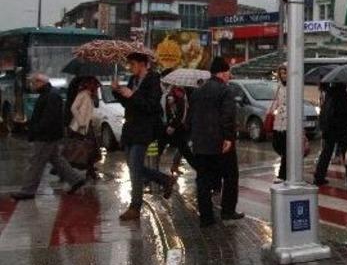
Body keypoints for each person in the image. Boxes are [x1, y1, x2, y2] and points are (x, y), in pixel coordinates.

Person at [114, 53, 175, 221]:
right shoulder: (133, 80)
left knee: (135, 168)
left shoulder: (153, 80)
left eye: (133, 64)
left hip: (144, 130)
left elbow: (150, 105)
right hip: (130, 129)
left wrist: (132, 95)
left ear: (143, 64)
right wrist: (118, 92)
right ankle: (165, 179)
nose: (130, 67)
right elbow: (129, 104)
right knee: (133, 167)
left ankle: (135, 206)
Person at [11, 73, 87, 200]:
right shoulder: (49, 94)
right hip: (49, 135)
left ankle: (28, 191)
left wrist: (36, 130)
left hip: (46, 136)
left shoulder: (51, 95)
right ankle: (76, 180)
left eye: (33, 83)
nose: (32, 86)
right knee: (56, 159)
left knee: (36, 162)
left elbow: (48, 119)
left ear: (40, 82)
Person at [188, 57, 243, 227]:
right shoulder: (225, 91)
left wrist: (193, 137)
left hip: (200, 143)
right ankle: (227, 211)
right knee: (231, 176)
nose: (229, 76)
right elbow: (227, 116)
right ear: (222, 72)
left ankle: (206, 218)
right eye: (228, 72)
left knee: (203, 180)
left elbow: (190, 117)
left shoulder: (198, 90)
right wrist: (228, 137)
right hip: (220, 143)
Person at [313, 83, 347, 185]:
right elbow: (345, 112)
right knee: (345, 151)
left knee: (326, 153)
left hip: (329, 128)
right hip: (341, 128)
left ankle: (319, 176)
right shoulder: (343, 94)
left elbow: (324, 111)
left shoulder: (329, 93)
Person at [67, 77, 101, 179]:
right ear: (89, 85)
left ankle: (90, 172)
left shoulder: (90, 96)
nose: (96, 88)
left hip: (88, 125)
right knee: (78, 150)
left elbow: (94, 107)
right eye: (95, 86)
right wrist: (80, 121)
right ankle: (63, 170)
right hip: (80, 126)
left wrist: (95, 96)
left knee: (91, 150)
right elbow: (73, 108)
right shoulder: (82, 94)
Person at [269, 63, 289, 182]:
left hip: (289, 120)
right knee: (277, 144)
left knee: (287, 149)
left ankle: (282, 175)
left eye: (285, 73)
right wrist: (270, 112)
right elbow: (276, 101)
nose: (283, 75)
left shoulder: (293, 86)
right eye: (281, 73)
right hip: (279, 118)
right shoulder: (278, 86)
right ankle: (286, 167)